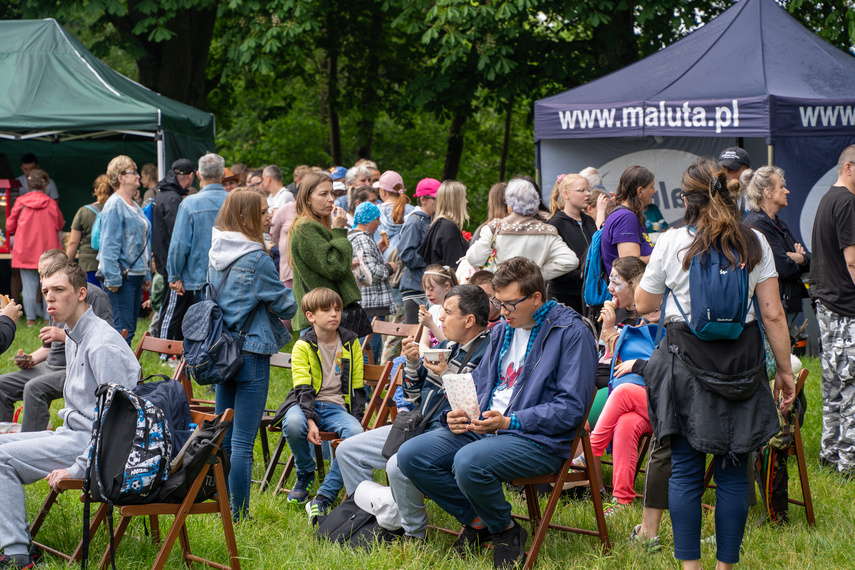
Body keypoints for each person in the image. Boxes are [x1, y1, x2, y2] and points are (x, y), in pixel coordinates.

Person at [635, 157, 795, 570]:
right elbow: (773, 314)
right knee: (733, 471)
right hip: (742, 363)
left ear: (685, 200)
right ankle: (726, 566)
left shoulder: (672, 242)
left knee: (686, 471)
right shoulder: (753, 241)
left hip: (683, 362)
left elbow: (644, 303)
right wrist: (784, 370)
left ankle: (691, 567)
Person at [397, 257, 597, 570]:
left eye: (508, 304)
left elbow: (570, 408)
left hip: (536, 438)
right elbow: (478, 385)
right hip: (487, 427)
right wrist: (456, 412)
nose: (500, 312)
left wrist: (510, 421)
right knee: (410, 455)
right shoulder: (503, 330)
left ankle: (505, 530)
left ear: (535, 298)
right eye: (497, 303)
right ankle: (478, 521)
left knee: (468, 462)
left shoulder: (570, 332)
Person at [0, 260, 138, 569]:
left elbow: (116, 425)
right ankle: (11, 537)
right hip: (71, 434)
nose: (49, 298)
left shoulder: (102, 344)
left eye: (59, 290)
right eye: (46, 290)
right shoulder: (75, 335)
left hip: (94, 446)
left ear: (80, 293)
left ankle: (17, 555)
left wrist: (78, 469)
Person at [336, 284, 492, 542]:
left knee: (397, 465)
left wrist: (444, 373)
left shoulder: (488, 352)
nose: (439, 318)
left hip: (452, 434)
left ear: (469, 320)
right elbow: (412, 397)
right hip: (419, 425)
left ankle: (412, 534)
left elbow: (472, 403)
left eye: (447, 312)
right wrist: (412, 363)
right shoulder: (448, 347)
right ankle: (375, 518)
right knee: (348, 451)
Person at [208, 189, 297, 520]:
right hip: (250, 353)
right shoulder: (257, 259)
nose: (269, 217)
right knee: (243, 443)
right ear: (246, 219)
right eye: (263, 212)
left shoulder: (217, 253)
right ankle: (239, 516)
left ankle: (222, 507)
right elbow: (284, 303)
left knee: (224, 439)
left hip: (221, 353)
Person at [276, 287, 365, 521]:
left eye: (337, 309)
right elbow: (303, 388)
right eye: (326, 310)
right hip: (306, 402)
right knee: (294, 423)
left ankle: (325, 495)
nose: (334, 314)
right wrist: (310, 419)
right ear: (310, 316)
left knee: (355, 433)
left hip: (336, 406)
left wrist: (355, 416)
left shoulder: (350, 342)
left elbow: (356, 386)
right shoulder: (303, 345)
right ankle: (305, 472)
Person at [574, 256, 654, 513]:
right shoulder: (628, 315)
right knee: (625, 424)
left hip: (661, 397)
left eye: (616, 282)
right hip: (632, 396)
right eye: (609, 280)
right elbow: (608, 359)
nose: (609, 287)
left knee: (621, 392)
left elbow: (662, 360)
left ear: (635, 285)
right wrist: (607, 329)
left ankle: (589, 453)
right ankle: (622, 500)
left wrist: (612, 333)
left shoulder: (654, 313)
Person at [0, 250, 112, 433]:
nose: (43, 279)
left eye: (48, 272)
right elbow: (48, 350)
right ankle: (4, 439)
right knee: (2, 385)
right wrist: (30, 359)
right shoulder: (52, 295)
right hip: (50, 366)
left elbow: (105, 340)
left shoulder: (93, 296)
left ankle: (30, 446)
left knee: (33, 388)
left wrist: (62, 334)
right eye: (41, 274)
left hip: (75, 368)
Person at [810, 144, 855, 476]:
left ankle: (830, 455)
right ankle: (849, 461)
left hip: (828, 303)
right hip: (844, 306)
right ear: (849, 167)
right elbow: (852, 260)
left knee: (834, 385)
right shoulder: (847, 202)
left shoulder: (828, 199)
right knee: (850, 386)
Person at [289, 173, 362, 334]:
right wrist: (339, 231)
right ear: (307, 198)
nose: (331, 199)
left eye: (332, 193)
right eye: (323, 194)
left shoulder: (315, 225)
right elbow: (336, 267)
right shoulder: (305, 227)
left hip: (326, 317)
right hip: (319, 321)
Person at [467, 178, 578, 281]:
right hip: (532, 294)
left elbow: (474, 259)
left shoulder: (494, 227)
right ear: (536, 203)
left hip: (500, 293)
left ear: (509, 204)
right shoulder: (547, 231)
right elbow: (570, 261)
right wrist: (536, 275)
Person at [166, 153, 230, 326]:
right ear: (223, 174)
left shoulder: (190, 204)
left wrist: (174, 274)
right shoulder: (235, 201)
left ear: (199, 175)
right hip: (233, 276)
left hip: (201, 279)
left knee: (204, 328)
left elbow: (179, 244)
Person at [743, 166, 810, 324]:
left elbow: (809, 260)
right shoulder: (757, 224)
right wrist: (799, 259)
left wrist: (800, 258)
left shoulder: (778, 222)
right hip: (774, 309)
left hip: (784, 305)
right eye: (781, 187)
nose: (787, 191)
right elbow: (784, 268)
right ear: (767, 192)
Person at [97, 155, 151, 346]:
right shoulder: (114, 205)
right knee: (122, 331)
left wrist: (146, 275)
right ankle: (115, 374)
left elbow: (144, 241)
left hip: (135, 276)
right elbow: (108, 246)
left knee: (129, 329)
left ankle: (122, 373)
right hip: (121, 279)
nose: (138, 176)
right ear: (120, 177)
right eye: (133, 172)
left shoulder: (134, 205)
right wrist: (113, 279)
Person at [7, 168, 64, 325]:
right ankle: (48, 319)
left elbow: (9, 225)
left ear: (29, 185)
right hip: (49, 254)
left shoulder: (20, 202)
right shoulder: (51, 203)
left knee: (28, 288)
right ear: (45, 185)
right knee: (49, 288)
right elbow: (59, 225)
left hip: (25, 252)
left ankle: (30, 320)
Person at [152, 158, 195, 340]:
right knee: (172, 309)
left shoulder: (162, 194)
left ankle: (172, 349)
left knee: (176, 308)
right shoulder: (173, 199)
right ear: (191, 176)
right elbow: (177, 238)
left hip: (165, 262)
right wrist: (175, 271)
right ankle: (164, 350)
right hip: (173, 266)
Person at [347, 202, 396, 358]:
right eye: (377, 219)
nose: (379, 223)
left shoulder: (355, 236)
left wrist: (378, 250)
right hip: (370, 307)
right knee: (369, 353)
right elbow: (371, 273)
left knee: (368, 350)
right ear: (368, 220)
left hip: (365, 305)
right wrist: (390, 268)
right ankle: (367, 383)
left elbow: (363, 266)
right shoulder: (362, 238)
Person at [547, 174, 598, 313]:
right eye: (582, 190)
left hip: (589, 294)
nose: (588, 194)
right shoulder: (555, 224)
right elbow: (549, 265)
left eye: (588, 190)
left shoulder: (589, 221)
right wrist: (579, 275)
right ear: (566, 194)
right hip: (564, 296)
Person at [600, 165, 655, 276]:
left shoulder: (627, 214)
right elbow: (630, 265)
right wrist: (660, 257)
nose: (654, 191)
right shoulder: (626, 218)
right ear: (640, 191)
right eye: (651, 186)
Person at [398, 178, 438, 324]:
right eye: (436, 199)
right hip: (414, 290)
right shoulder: (415, 221)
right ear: (423, 200)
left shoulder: (430, 220)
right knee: (413, 337)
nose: (439, 203)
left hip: (426, 288)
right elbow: (406, 256)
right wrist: (432, 257)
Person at [66, 175, 113, 287]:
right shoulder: (117, 210)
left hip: (88, 265)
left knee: (91, 300)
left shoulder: (83, 211)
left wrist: (66, 267)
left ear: (96, 190)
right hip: (112, 267)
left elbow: (73, 243)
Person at [418, 180, 469, 270]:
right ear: (456, 202)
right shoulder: (449, 228)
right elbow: (454, 268)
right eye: (464, 198)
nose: (466, 201)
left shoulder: (436, 225)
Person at [418, 265, 457, 348]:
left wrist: (431, 324)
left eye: (431, 289)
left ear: (446, 286)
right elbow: (423, 343)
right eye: (425, 289)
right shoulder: (432, 310)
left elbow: (451, 346)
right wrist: (425, 356)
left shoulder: (457, 311)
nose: (427, 294)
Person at [375, 170, 414, 252]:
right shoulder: (411, 211)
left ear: (383, 191)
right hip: (403, 260)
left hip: (380, 260)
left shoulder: (374, 211)